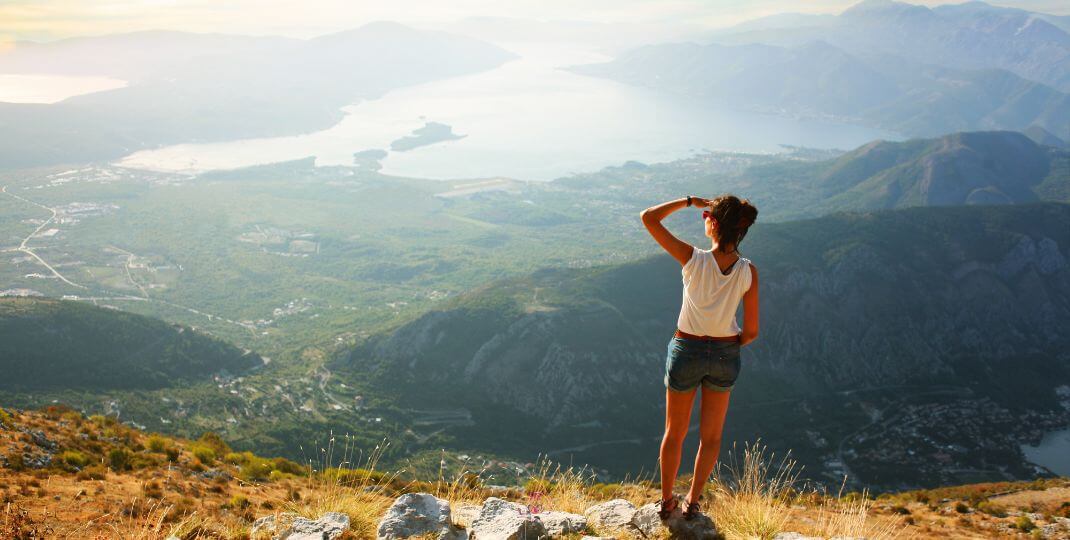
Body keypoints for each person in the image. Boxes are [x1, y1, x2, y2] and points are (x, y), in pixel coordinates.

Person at [639, 194, 759, 521]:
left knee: (674, 433)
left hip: (686, 350)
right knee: (712, 437)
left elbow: (648, 217)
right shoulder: (749, 272)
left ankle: (666, 502)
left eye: (706, 215)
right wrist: (725, 343)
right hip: (725, 354)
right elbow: (750, 332)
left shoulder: (693, 258)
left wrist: (689, 201)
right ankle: (693, 502)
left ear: (714, 224)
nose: (703, 217)